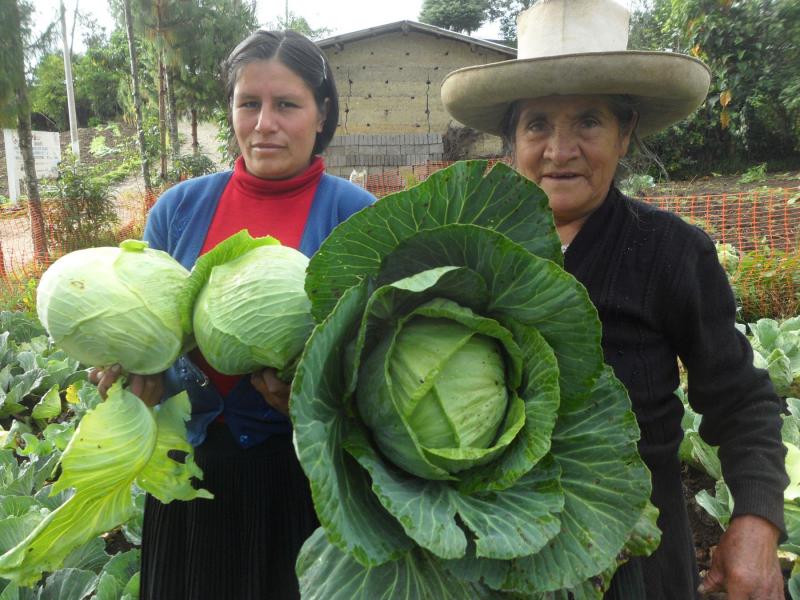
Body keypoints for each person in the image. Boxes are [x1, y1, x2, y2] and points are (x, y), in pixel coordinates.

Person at [441, 0, 788, 598]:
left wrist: (755, 523)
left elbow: (742, 401)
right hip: (491, 545)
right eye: (537, 125)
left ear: (625, 134)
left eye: (588, 122)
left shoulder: (672, 253)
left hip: (633, 551)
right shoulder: (467, 249)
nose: (560, 148)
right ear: (512, 140)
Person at [91, 30, 375, 599]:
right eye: (249, 103)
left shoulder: (358, 216)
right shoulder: (179, 209)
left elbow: (380, 361)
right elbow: (155, 336)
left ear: (322, 115)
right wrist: (134, 379)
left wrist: (316, 396)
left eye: (287, 104)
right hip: (193, 478)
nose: (264, 123)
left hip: (309, 481)